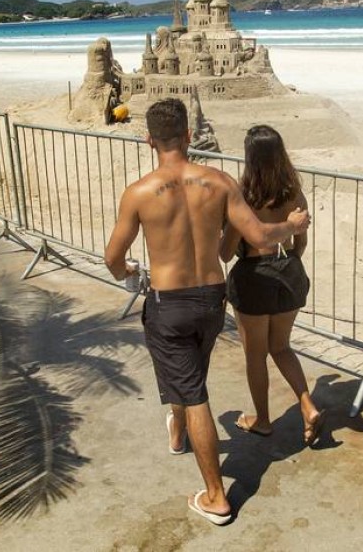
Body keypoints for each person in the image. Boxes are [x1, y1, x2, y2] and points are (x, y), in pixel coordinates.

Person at [104, 99, 309, 526]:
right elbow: (259, 236)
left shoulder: (139, 193)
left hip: (170, 303)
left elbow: (113, 256)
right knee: (189, 375)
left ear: (148, 139)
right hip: (212, 300)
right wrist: (292, 226)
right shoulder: (218, 182)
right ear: (188, 136)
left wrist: (126, 271)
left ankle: (216, 496)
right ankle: (177, 431)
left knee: (195, 393)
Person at [220, 125, 324, 446]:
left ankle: (263, 421)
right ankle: (307, 404)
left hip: (253, 278)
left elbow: (225, 253)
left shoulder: (244, 199)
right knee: (281, 347)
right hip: (288, 274)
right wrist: (286, 261)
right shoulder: (295, 194)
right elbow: (301, 242)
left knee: (256, 356)